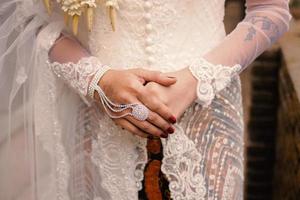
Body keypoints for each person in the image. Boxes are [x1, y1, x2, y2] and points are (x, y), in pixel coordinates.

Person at [0, 0, 291, 199]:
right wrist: (97, 79)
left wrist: (195, 80)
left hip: (205, 122)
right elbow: (31, 16)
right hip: (97, 126)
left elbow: (270, 10)